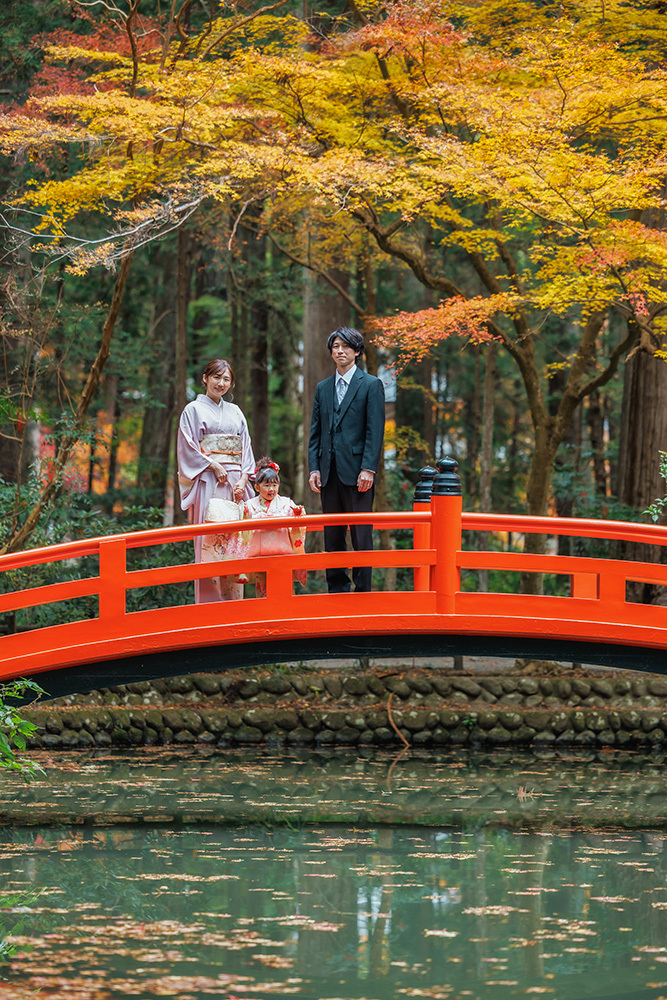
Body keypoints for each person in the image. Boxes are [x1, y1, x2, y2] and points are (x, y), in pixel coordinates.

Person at [308, 327, 385, 593]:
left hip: (358, 472)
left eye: (346, 347)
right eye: (336, 346)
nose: (340, 351)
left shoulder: (371, 385)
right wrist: (314, 468)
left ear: (357, 352)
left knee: (361, 533)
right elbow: (315, 432)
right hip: (328, 471)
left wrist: (368, 468)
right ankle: (337, 589)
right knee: (332, 533)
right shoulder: (322, 388)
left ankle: (363, 591)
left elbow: (375, 431)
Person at [177, 359, 255, 602]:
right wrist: (212, 464)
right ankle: (210, 605)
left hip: (235, 485)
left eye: (226, 379)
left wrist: (244, 478)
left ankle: (234, 603)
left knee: (234, 541)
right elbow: (187, 446)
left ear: (232, 383)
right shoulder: (193, 410)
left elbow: (246, 448)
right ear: (205, 378)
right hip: (209, 481)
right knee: (210, 541)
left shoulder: (236, 411)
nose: (221, 384)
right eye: (216, 377)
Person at [242, 457, 306, 598]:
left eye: (274, 485)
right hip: (259, 554)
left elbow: (298, 523)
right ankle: (265, 617)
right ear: (257, 487)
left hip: (282, 552)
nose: (271, 489)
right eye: (266, 485)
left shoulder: (286, 502)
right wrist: (244, 513)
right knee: (262, 590)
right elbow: (243, 524)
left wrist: (297, 514)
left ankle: (287, 615)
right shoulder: (250, 504)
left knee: (285, 589)